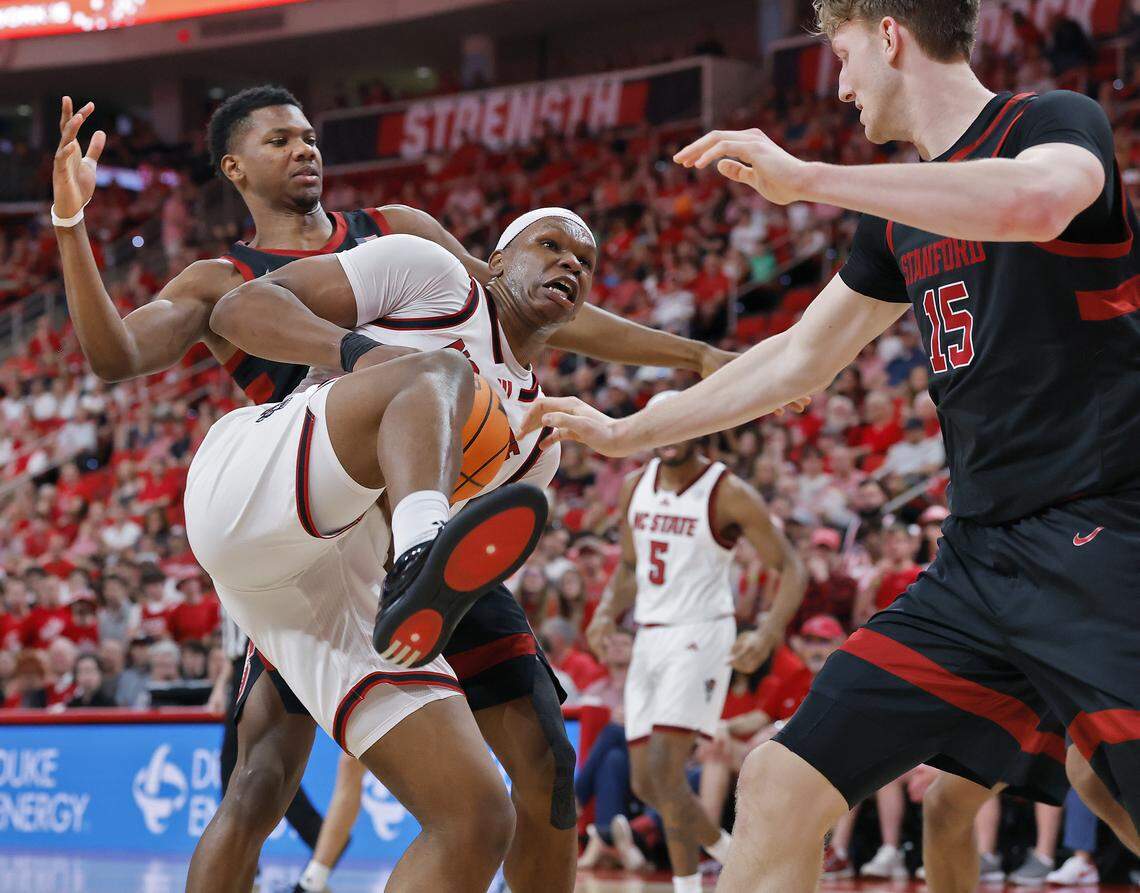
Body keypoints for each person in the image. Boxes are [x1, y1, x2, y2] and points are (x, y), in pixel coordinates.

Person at [53, 86, 736, 893]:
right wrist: (72, 226)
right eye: (280, 140)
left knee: (538, 764)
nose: (305, 149)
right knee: (260, 781)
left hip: (426, 500)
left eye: (309, 135)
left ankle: (426, 560)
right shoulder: (223, 277)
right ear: (234, 166)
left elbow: (520, 302)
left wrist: (691, 357)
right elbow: (119, 354)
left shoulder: (400, 233)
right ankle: (418, 546)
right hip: (306, 503)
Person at [525, 2, 1140, 890]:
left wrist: (809, 176)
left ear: (890, 36)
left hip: (1100, 540)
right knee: (780, 779)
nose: (842, 86)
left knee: (1102, 782)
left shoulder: (1050, 121)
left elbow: (1036, 200)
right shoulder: (894, 219)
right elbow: (794, 358)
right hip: (977, 562)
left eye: (845, 56)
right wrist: (627, 431)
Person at [585, 396, 806, 893]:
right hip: (649, 634)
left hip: (702, 632)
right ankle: (703, 874)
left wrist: (767, 632)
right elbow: (628, 566)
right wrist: (604, 612)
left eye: (678, 424)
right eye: (658, 426)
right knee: (647, 783)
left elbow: (791, 566)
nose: (669, 435)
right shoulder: (632, 487)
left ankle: (736, 866)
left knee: (665, 770)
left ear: (701, 422)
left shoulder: (727, 492)